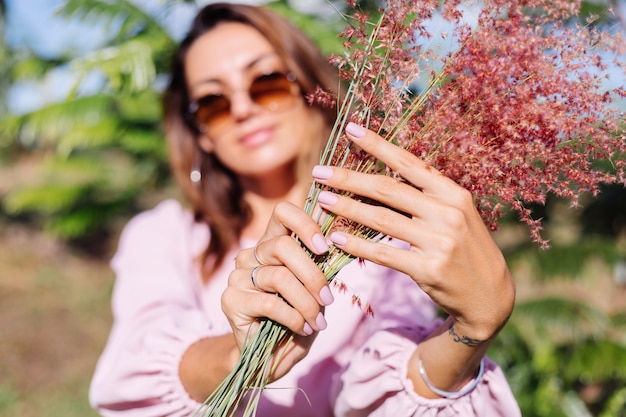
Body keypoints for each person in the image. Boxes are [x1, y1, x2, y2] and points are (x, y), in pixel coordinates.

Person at [89, 3, 521, 416]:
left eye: (267, 83)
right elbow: (136, 359)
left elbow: (389, 395)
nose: (242, 109)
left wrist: (471, 332)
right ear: (201, 135)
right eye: (213, 104)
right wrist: (239, 355)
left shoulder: (380, 237)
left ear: (309, 89)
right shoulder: (167, 234)